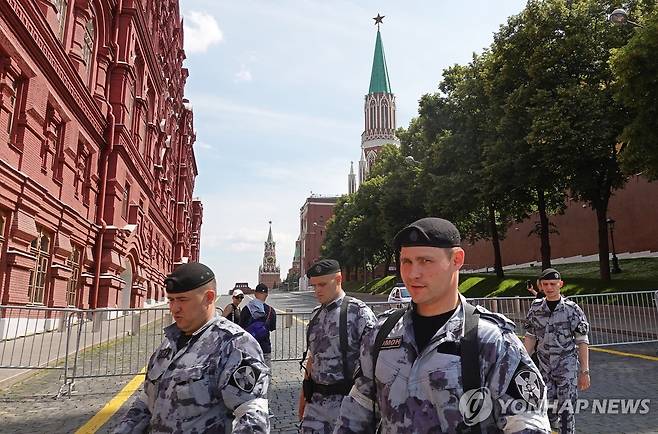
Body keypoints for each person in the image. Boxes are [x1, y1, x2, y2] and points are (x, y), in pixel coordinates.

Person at [335, 217, 551, 433]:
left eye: (425, 261)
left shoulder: (491, 341)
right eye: (406, 262)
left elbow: (526, 424)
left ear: (457, 259)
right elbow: (355, 415)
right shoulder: (381, 334)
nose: (412, 274)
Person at [113, 262, 269, 433]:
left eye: (182, 300)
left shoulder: (235, 345)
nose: (174, 308)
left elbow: (252, 417)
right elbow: (146, 401)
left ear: (209, 298)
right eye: (171, 300)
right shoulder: (168, 344)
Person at [298, 259, 376, 433]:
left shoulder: (359, 313)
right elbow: (313, 358)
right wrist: (304, 396)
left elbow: (374, 364)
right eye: (314, 286)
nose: (317, 290)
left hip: (347, 404)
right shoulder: (316, 314)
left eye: (323, 284)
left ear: (339, 279)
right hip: (316, 404)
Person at [524, 268, 590, 434]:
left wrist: (585, 371)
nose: (549, 288)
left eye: (553, 284)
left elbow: (582, 341)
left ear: (561, 284)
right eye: (545, 284)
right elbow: (531, 336)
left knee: (567, 410)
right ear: (541, 286)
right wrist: (523, 362)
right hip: (543, 367)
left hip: (566, 367)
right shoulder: (536, 308)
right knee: (544, 408)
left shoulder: (572, 310)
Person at [241, 283, 276, 368]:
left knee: (251, 375)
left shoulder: (246, 309)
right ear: (267, 294)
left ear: (255, 294)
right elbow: (272, 328)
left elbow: (241, 327)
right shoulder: (271, 310)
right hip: (265, 347)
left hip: (250, 348)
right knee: (266, 374)